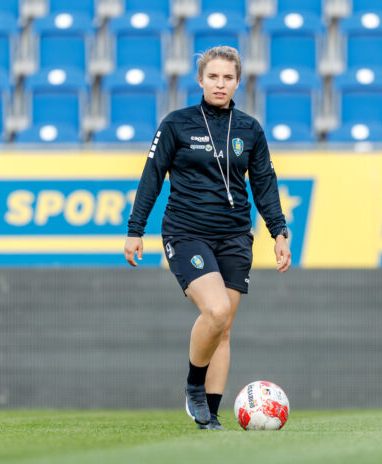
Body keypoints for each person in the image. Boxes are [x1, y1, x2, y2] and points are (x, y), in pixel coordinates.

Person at [124, 46, 291, 430]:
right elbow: (152, 176)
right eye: (213, 77)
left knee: (225, 326)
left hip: (234, 235)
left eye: (228, 77)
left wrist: (278, 232)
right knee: (214, 310)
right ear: (200, 80)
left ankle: (210, 418)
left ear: (238, 81)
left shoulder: (249, 129)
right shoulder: (177, 123)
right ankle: (194, 387)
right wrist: (136, 230)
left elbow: (264, 182)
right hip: (186, 232)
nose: (220, 83)